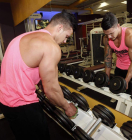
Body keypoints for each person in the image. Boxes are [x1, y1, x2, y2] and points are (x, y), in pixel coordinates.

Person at [0, 10, 77, 140]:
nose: (65, 41)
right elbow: (51, 90)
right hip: (23, 105)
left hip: (5, 102)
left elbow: (23, 71)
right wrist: (67, 106)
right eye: (67, 36)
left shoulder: (20, 37)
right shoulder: (51, 46)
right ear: (60, 28)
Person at [101, 12, 132, 90]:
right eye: (106, 34)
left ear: (118, 26)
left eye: (111, 33)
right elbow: (107, 57)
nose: (109, 36)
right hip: (119, 66)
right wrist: (107, 76)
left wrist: (126, 80)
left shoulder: (131, 37)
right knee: (117, 88)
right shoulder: (106, 38)